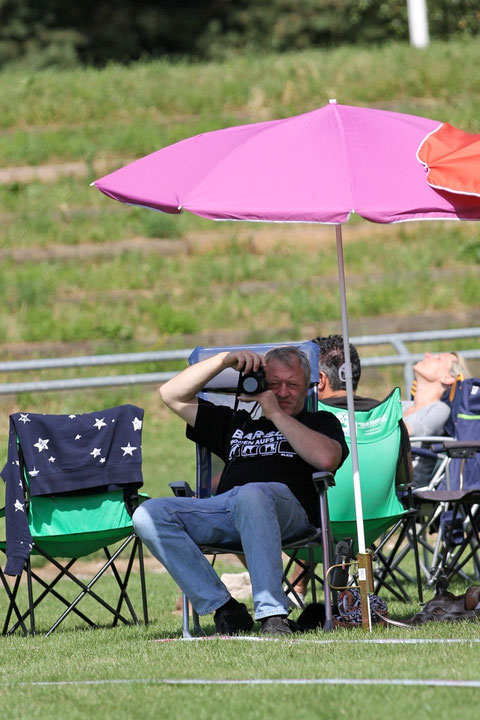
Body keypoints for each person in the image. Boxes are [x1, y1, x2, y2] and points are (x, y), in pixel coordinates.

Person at [132, 345, 348, 636]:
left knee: (252, 493)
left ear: (308, 386)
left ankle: (273, 615)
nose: (283, 392)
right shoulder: (235, 423)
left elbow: (326, 458)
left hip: (289, 512)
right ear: (259, 383)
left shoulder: (318, 422)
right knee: (148, 513)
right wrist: (224, 361)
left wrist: (275, 414)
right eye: (274, 384)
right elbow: (170, 394)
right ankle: (225, 608)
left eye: (292, 384)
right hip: (227, 509)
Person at [286, 334, 382, 606]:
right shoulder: (386, 416)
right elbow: (404, 479)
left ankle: (292, 587)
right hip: (376, 522)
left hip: (315, 525)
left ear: (321, 380)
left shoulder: (308, 425)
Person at [402, 351, 470, 488]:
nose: (426, 354)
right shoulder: (401, 405)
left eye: (438, 359)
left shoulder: (440, 409)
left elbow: (406, 431)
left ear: (448, 378)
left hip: (406, 489)